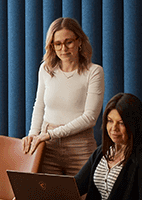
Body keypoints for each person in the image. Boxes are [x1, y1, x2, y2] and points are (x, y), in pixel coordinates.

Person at [21, 17, 104, 175]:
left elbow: (90, 118)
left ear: (79, 41)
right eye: (57, 44)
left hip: (80, 146)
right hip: (47, 146)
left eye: (69, 42)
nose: (63, 49)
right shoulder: (45, 69)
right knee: (47, 198)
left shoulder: (94, 72)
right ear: (51, 46)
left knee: (84, 198)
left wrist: (49, 134)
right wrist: (33, 135)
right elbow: (39, 105)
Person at [74, 92, 142, 200]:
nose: (114, 128)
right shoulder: (101, 153)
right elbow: (76, 186)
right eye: (110, 121)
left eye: (121, 123)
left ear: (134, 125)